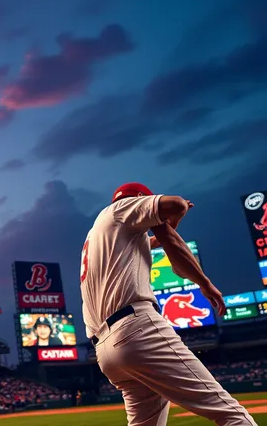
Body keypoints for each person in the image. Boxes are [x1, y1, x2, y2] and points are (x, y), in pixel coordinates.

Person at [80, 183, 257, 426]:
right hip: (136, 331)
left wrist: (168, 225)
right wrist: (204, 282)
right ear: (140, 199)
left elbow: (155, 241)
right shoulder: (121, 209)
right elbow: (176, 204)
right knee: (231, 414)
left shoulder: (100, 233)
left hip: (105, 350)